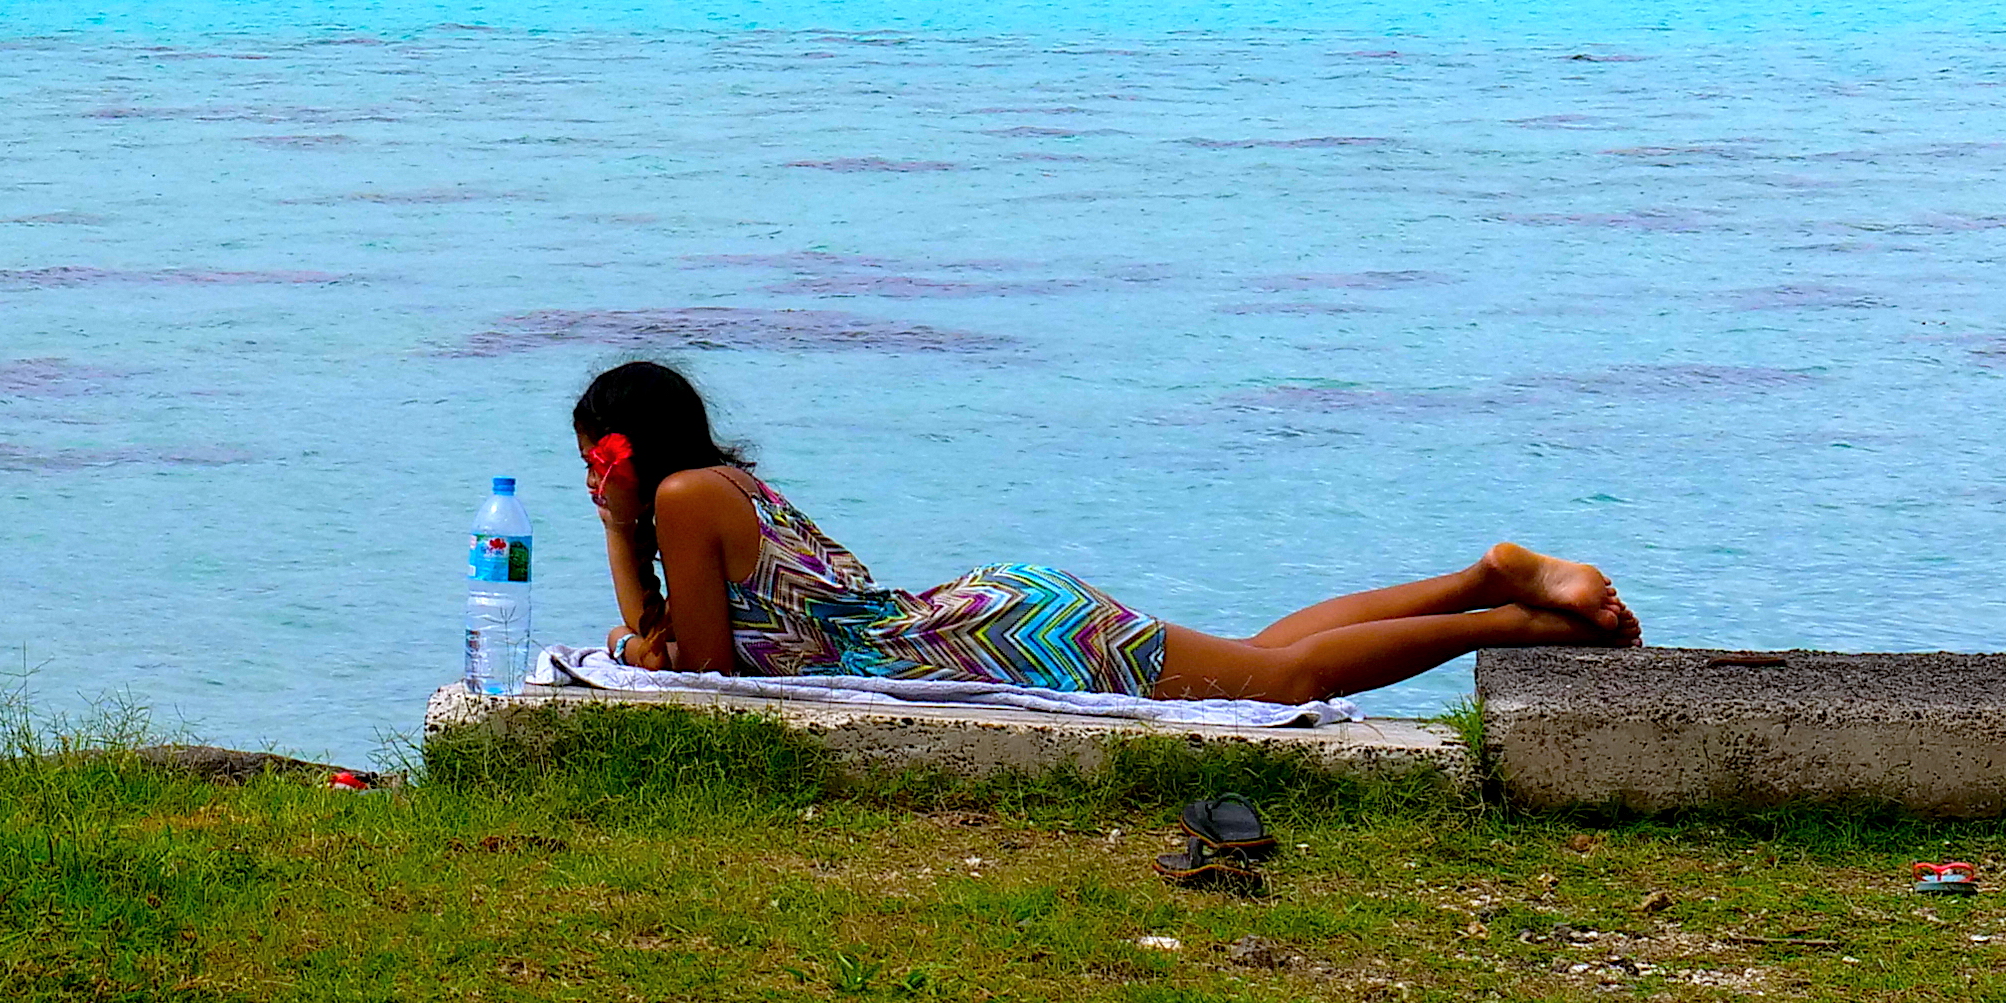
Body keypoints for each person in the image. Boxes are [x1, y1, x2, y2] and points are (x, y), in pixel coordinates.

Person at [568, 358, 1642, 705]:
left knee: (1281, 685)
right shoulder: (713, 489)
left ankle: (1516, 620)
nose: (592, 477)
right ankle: (1483, 577)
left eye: (596, 456)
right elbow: (687, 647)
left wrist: (623, 540)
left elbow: (704, 672)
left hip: (989, 636)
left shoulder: (682, 498)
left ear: (627, 447)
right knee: (1270, 655)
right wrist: (631, 563)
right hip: (975, 618)